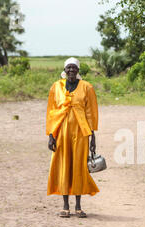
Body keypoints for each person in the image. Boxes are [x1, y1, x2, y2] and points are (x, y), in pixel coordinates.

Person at [46, 57, 99, 218]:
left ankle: (78, 206)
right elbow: (51, 112)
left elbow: (91, 112)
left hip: (81, 132)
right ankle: (65, 206)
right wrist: (51, 135)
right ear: (64, 69)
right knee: (63, 165)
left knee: (79, 166)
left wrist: (93, 136)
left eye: (74, 68)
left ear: (78, 70)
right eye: (68, 68)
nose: (71, 71)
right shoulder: (56, 87)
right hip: (61, 131)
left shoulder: (87, 87)